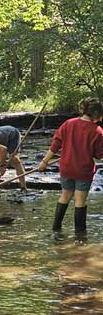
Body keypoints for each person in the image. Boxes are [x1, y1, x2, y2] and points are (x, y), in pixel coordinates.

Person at [39, 97, 103, 235]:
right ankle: (80, 236)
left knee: (65, 196)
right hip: (83, 171)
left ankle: (56, 229)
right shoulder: (97, 131)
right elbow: (99, 155)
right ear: (97, 113)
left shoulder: (68, 123)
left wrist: (44, 162)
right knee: (80, 201)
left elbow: (56, 144)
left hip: (66, 168)